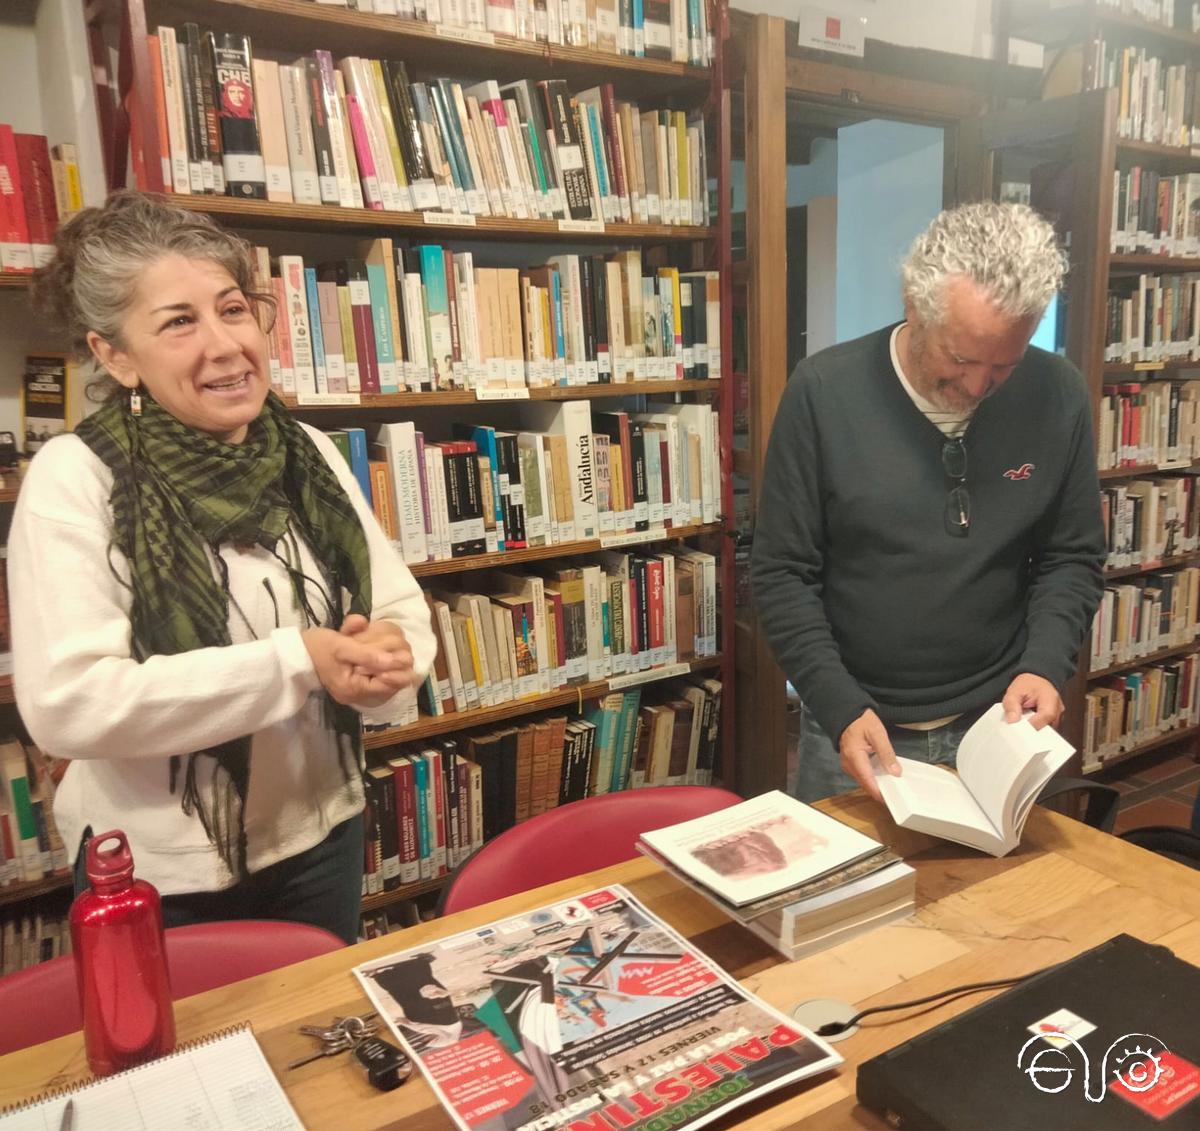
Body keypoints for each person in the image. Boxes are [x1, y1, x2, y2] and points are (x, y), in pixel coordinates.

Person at [10, 191, 437, 944]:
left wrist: (389, 659)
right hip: (161, 874)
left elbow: (401, 609)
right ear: (115, 355)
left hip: (323, 837)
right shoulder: (76, 477)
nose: (224, 344)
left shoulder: (307, 450)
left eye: (233, 308)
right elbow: (69, 703)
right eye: (179, 321)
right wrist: (296, 662)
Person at [751, 202, 1105, 803]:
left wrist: (1045, 663)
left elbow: (1070, 557)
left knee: (1011, 898)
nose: (976, 387)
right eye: (961, 359)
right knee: (852, 898)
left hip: (1002, 725)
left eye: (1005, 365)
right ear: (914, 306)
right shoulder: (822, 393)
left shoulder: (1057, 392)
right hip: (859, 728)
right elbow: (782, 574)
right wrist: (838, 705)